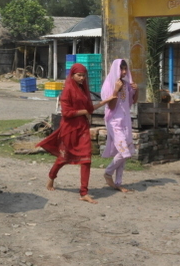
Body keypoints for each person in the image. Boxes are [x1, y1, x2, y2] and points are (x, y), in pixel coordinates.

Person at [36, 63, 112, 204]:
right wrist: (85, 112)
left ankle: (84, 192)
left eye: (84, 75)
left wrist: (106, 101)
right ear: (72, 75)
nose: (82, 78)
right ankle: (51, 177)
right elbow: (66, 113)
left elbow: (90, 108)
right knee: (64, 158)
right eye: (79, 75)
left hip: (82, 127)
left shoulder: (84, 90)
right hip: (69, 128)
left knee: (86, 159)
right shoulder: (67, 91)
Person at [101, 59, 139, 193]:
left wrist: (136, 90)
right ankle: (108, 172)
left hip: (125, 121)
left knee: (121, 152)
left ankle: (118, 183)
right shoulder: (108, 85)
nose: (123, 72)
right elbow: (110, 106)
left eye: (125, 69)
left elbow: (132, 102)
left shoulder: (126, 84)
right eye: (121, 69)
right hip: (114, 122)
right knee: (125, 152)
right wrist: (115, 90)